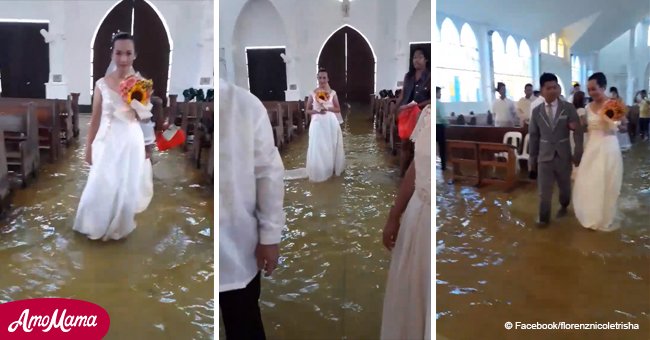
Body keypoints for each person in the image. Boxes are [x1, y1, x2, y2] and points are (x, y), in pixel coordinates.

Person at [219, 78, 285, 339]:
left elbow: (268, 172)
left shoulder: (245, 104)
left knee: (243, 322)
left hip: (239, 244)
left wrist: (270, 236)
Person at [73, 32, 155, 240]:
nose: (123, 59)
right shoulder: (102, 83)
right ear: (112, 54)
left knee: (125, 185)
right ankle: (93, 225)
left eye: (128, 53)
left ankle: (119, 227)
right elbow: (95, 117)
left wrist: (137, 103)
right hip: (107, 140)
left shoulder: (142, 84)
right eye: (119, 53)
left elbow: (143, 119)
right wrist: (89, 148)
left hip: (131, 142)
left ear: (135, 55)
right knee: (101, 183)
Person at [381, 105, 431, 340]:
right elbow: (416, 164)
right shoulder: (426, 113)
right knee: (412, 293)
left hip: (432, 216)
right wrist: (394, 214)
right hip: (417, 215)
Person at [528, 73, 583, 226]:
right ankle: (543, 220)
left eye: (555, 87)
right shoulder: (536, 111)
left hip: (563, 155)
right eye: (548, 88)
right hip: (544, 157)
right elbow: (533, 136)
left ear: (558, 88)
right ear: (542, 90)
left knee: (565, 189)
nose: (552, 90)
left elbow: (577, 130)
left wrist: (578, 151)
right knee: (544, 193)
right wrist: (532, 160)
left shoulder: (568, 108)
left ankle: (564, 206)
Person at [573, 73, 624, 231]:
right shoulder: (588, 107)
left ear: (603, 87)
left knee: (607, 182)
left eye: (594, 89)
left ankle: (605, 216)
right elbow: (584, 128)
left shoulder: (613, 104)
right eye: (589, 89)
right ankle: (591, 215)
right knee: (588, 181)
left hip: (608, 147)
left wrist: (613, 120)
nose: (591, 92)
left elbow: (622, 127)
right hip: (592, 147)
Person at [303, 68, 346, 182]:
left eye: (324, 78)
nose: (322, 80)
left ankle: (330, 168)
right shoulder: (313, 93)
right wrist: (317, 111)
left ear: (328, 79)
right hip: (317, 123)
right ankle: (319, 170)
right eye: (320, 77)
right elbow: (307, 110)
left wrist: (327, 107)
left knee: (330, 146)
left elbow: (338, 109)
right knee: (318, 146)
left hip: (330, 122)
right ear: (317, 78)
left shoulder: (332, 93)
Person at [395, 47, 431, 176]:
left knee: (417, 145)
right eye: (414, 57)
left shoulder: (430, 76)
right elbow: (403, 94)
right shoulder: (408, 76)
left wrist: (416, 106)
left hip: (421, 114)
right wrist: (395, 109)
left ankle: (416, 175)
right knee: (405, 143)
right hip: (406, 114)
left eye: (420, 57)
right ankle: (402, 174)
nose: (417, 60)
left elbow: (431, 100)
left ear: (426, 59)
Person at [435, 87, 447, 170]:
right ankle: (443, 166)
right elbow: (443, 117)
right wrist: (447, 124)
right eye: (439, 92)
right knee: (442, 147)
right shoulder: (439, 104)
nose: (440, 94)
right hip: (439, 127)